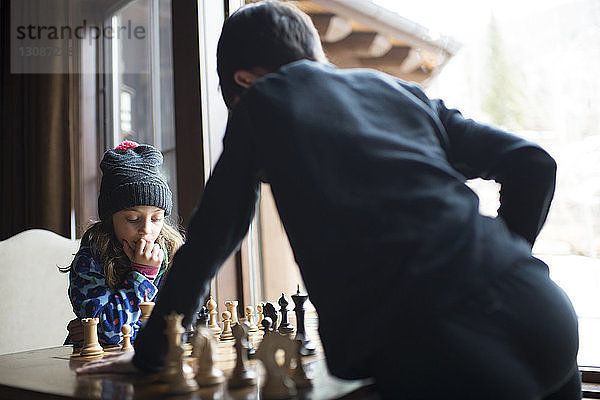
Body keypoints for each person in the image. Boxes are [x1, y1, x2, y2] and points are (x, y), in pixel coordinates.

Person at [77, 1, 580, 398]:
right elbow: (533, 164)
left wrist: (152, 353)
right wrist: (501, 263)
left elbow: (211, 238)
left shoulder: (262, 104)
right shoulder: (401, 91)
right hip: (543, 314)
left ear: (245, 82)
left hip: (442, 347)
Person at [62, 140, 184, 346]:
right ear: (111, 218)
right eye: (133, 219)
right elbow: (109, 335)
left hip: (148, 364)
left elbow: (182, 326)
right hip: (94, 366)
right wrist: (142, 275)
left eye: (156, 219)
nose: (146, 229)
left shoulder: (171, 250)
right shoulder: (91, 257)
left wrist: (100, 329)